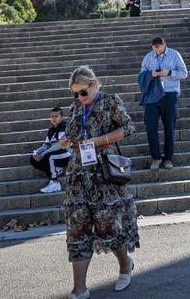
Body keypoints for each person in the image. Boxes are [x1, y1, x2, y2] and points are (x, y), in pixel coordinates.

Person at [59, 66, 139, 297]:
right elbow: (75, 135)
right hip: (77, 176)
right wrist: (67, 140)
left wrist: (98, 140)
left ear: (94, 84)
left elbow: (129, 127)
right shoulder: (76, 107)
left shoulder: (110, 101)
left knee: (109, 227)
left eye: (83, 92)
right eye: (75, 93)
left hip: (104, 175)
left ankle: (125, 265)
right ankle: (79, 289)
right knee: (77, 229)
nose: (79, 98)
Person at [139, 37, 187, 170]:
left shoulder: (174, 54)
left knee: (169, 127)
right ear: (152, 47)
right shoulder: (148, 57)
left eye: (160, 50)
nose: (158, 53)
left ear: (164, 45)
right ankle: (156, 157)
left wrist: (170, 72)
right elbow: (141, 74)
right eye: (155, 50)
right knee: (150, 125)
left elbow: (184, 73)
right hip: (152, 95)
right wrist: (151, 74)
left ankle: (168, 158)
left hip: (169, 94)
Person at [30, 106, 71, 194]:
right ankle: (56, 169)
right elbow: (46, 145)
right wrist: (36, 152)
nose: (54, 118)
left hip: (66, 154)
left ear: (61, 117)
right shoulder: (51, 130)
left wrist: (43, 154)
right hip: (55, 155)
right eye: (52, 116)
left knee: (49, 156)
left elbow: (60, 145)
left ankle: (55, 182)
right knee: (33, 158)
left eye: (56, 116)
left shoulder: (63, 127)